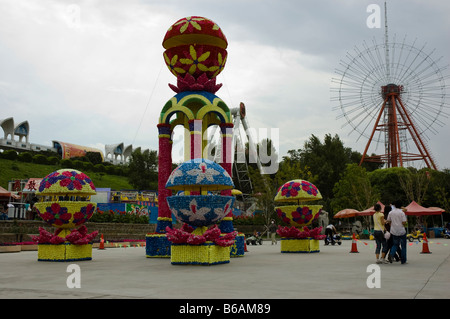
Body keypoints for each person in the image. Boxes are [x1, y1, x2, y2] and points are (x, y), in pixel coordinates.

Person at [387, 199, 408, 264]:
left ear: (394, 205)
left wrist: (392, 226)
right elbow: (404, 222)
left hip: (394, 231)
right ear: (401, 205)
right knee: (403, 246)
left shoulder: (390, 212)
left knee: (395, 244)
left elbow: (388, 221)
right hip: (401, 231)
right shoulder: (402, 212)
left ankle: (391, 254)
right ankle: (403, 260)